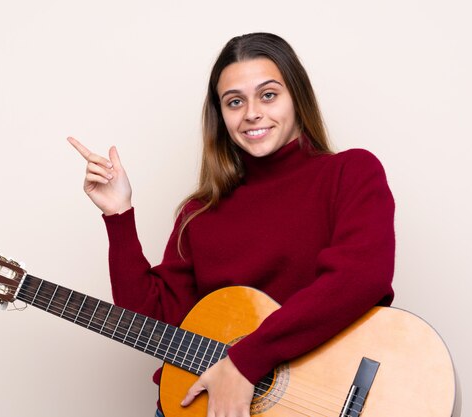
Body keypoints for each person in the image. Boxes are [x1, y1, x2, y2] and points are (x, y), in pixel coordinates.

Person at [68, 32, 395, 417]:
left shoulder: (351, 173)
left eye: (269, 94)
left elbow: (360, 277)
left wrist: (245, 362)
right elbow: (150, 322)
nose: (252, 113)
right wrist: (117, 215)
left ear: (298, 98)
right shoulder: (199, 212)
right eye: (234, 102)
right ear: (221, 116)